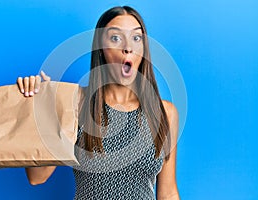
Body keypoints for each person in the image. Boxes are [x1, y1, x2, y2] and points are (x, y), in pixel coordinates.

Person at [17, 6, 180, 200]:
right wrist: (45, 106)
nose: (128, 47)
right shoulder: (75, 103)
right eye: (116, 38)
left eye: (136, 38)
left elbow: (168, 193)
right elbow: (37, 177)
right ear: (101, 49)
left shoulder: (165, 113)